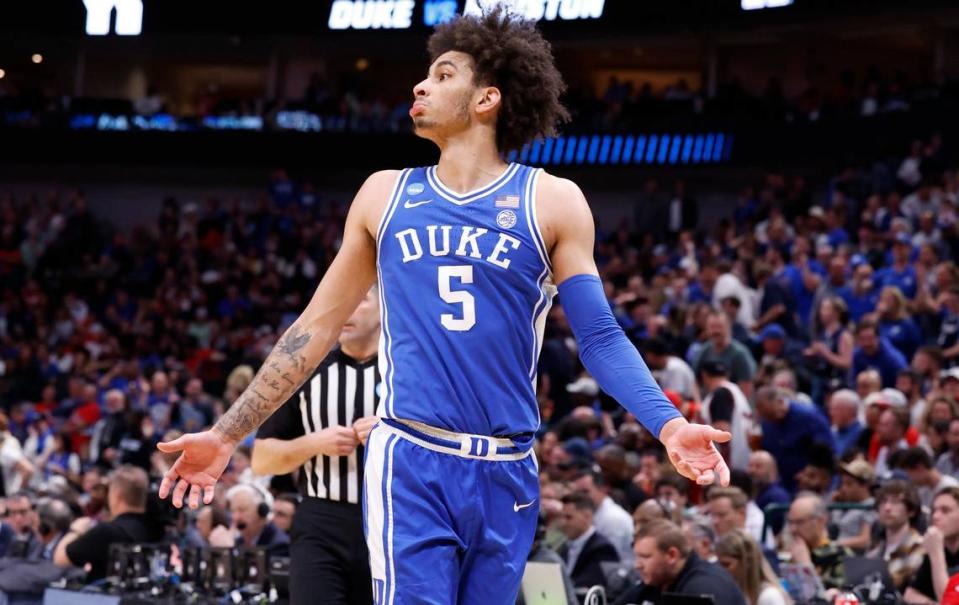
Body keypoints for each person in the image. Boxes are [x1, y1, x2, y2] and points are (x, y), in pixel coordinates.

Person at [156, 10, 732, 603]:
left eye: (443, 74)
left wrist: (668, 423)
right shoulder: (384, 193)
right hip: (412, 456)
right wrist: (227, 436)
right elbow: (316, 328)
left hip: (509, 466)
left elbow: (601, 337)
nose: (419, 86)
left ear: (487, 98)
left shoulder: (554, 201)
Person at [251, 288, 381, 605]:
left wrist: (394, 435)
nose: (347, 307)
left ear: (385, 306)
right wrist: (312, 443)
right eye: (345, 298)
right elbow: (261, 460)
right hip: (321, 522)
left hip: (390, 520)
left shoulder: (408, 373)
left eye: (360, 299)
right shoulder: (307, 371)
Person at [53, 465, 163, 581]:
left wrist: (75, 530)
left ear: (116, 495)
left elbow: (60, 559)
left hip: (105, 597)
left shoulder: (108, 531)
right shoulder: (157, 529)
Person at [614, 519, 747, 605]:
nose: (637, 565)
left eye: (645, 557)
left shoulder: (703, 587)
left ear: (672, 555)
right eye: (637, 557)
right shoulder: (657, 580)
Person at [904, 486, 959, 604]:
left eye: (945, 510)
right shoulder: (939, 548)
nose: (935, 517)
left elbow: (950, 601)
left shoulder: (936, 549)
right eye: (934, 510)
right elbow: (910, 594)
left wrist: (936, 554)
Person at [556, 492, 619, 594]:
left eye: (568, 517)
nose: (562, 523)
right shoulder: (564, 546)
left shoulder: (603, 549)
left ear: (587, 516)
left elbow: (588, 586)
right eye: (561, 517)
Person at [868, 480, 924, 591]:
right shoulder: (875, 546)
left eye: (895, 502)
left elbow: (897, 585)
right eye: (883, 502)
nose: (887, 508)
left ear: (911, 511)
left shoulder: (919, 546)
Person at [716, 529, 792, 605]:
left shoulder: (769, 596)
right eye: (718, 564)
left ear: (747, 562)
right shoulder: (736, 593)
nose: (721, 570)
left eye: (726, 565)